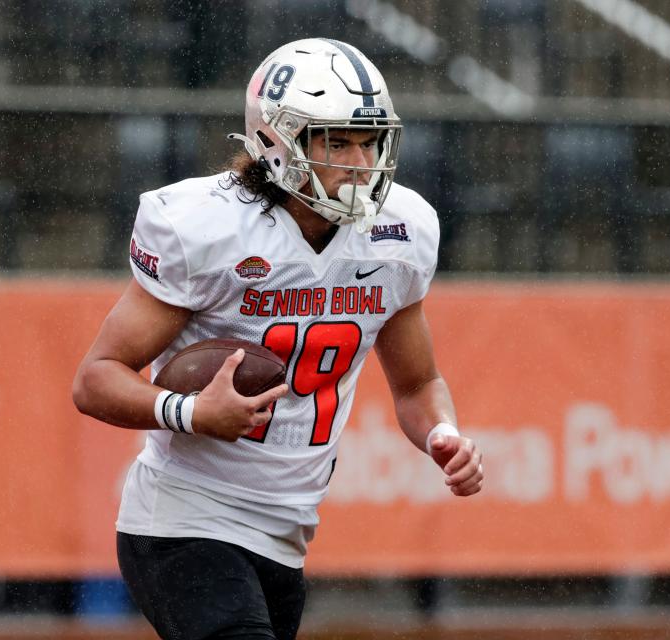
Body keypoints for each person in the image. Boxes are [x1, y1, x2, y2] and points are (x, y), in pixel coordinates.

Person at [72, 38, 483, 640]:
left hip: (287, 534)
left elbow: (418, 384)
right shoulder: (209, 228)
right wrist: (188, 411)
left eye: (369, 141)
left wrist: (443, 433)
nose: (361, 162)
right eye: (337, 141)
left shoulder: (400, 231)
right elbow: (96, 378)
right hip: (185, 518)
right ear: (275, 139)